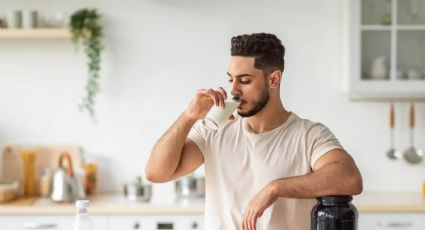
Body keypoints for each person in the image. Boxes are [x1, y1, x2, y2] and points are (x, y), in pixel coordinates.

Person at [145, 33, 363, 230]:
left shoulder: (309, 134)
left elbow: (350, 178)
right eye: (231, 79)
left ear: (274, 79)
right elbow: (156, 173)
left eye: (245, 80)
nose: (234, 90)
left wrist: (275, 188)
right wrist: (189, 116)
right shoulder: (215, 128)